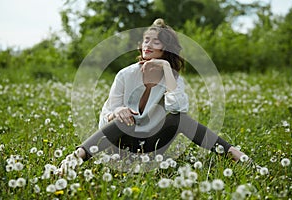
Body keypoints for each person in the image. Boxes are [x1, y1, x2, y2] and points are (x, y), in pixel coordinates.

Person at [58, 18, 244, 173]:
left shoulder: (173, 79)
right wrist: (118, 111)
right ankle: (74, 159)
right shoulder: (126, 74)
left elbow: (179, 109)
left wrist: (166, 70)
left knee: (179, 118)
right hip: (120, 144)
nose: (148, 45)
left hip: (152, 146)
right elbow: (109, 114)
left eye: (156, 41)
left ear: (167, 48)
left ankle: (235, 155)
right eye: (146, 40)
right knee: (122, 119)